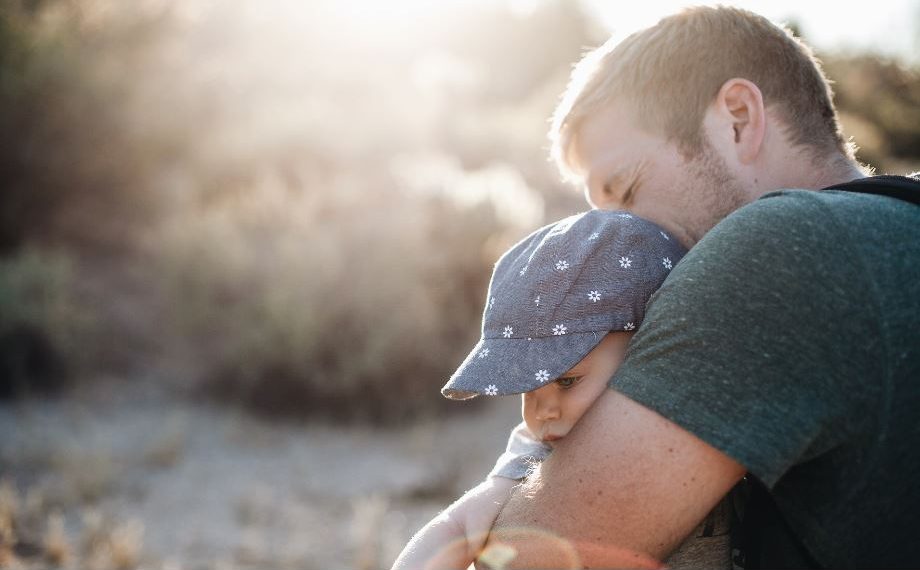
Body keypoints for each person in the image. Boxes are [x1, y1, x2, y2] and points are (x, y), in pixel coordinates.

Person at [478, 5, 920, 569]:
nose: (616, 238)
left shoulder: (776, 249)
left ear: (737, 117)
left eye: (626, 190)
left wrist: (496, 494)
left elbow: (528, 561)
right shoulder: (894, 225)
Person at [391, 210, 738, 570]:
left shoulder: (707, 411)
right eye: (527, 389)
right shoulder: (539, 451)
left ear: (647, 348)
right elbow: (458, 525)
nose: (543, 411)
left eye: (567, 381)